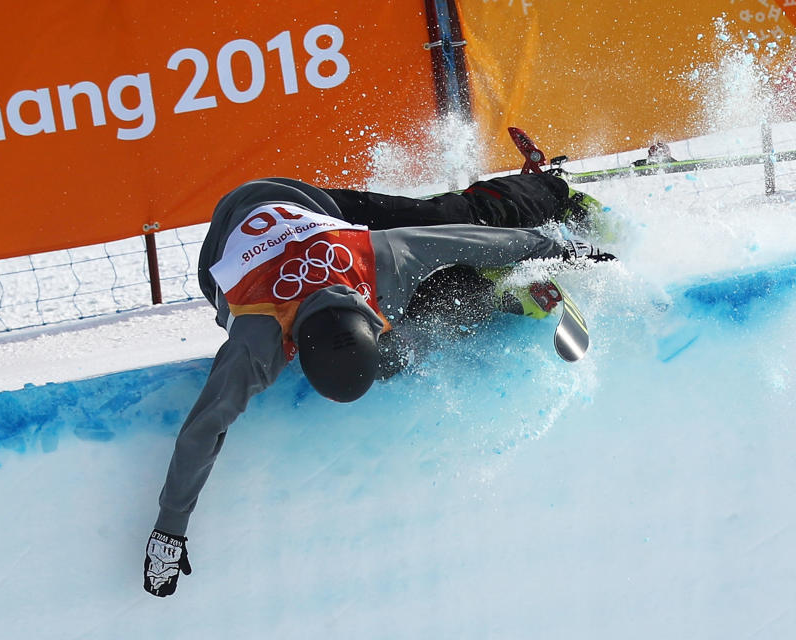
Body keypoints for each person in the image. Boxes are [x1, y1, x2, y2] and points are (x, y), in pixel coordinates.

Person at [143, 173, 615, 597]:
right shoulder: (256, 338)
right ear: (291, 351)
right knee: (404, 345)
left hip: (313, 209)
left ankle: (554, 189)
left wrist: (561, 249)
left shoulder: (383, 254)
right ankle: (485, 297)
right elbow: (204, 428)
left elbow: (470, 238)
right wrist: (170, 528)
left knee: (452, 216)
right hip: (235, 240)